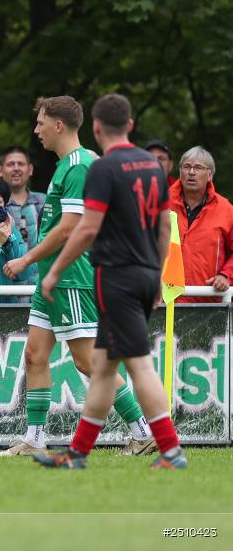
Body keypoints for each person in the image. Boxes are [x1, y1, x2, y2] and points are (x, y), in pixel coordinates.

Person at [0, 95, 154, 457]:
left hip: (71, 277)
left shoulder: (81, 165)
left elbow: (69, 228)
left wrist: (26, 259)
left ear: (59, 125)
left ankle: (142, 430)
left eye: (40, 123)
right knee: (35, 354)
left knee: (87, 362)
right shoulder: (67, 165)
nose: (36, 130)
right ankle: (34, 440)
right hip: (50, 279)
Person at [35, 93, 187, 470]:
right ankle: (78, 453)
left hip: (115, 277)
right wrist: (156, 273)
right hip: (145, 274)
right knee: (102, 368)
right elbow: (165, 225)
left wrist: (53, 271)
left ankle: (170, 450)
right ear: (131, 126)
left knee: (139, 367)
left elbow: (85, 228)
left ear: (97, 128)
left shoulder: (103, 167)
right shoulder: (153, 167)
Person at [166, 146, 233, 302]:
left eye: (198, 168)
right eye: (187, 167)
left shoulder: (226, 210)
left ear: (209, 175)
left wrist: (226, 275)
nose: (191, 172)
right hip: (163, 302)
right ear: (180, 172)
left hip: (208, 304)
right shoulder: (161, 202)